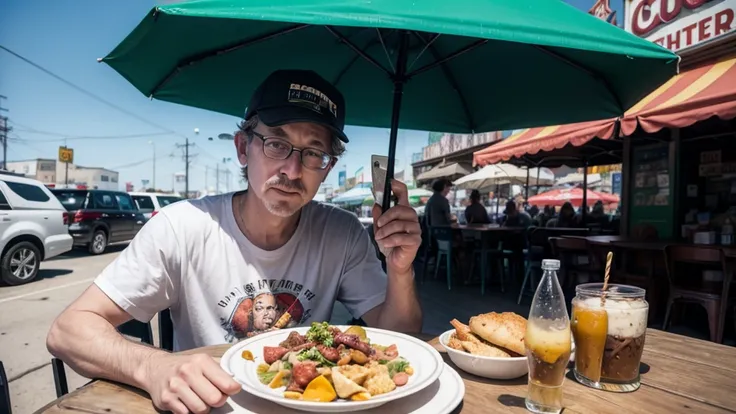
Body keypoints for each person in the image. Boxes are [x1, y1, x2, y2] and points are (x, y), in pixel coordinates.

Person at [46, 69, 423, 414]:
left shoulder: (341, 234)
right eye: (277, 143)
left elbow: (401, 341)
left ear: (327, 168)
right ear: (243, 148)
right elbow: (69, 331)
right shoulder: (184, 227)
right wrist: (153, 366)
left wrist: (400, 270)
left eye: (313, 153)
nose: (292, 170)